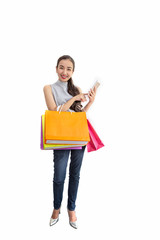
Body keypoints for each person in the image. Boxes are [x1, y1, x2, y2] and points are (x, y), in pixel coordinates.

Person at [43, 55, 97, 229]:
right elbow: (54, 112)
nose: (64, 72)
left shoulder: (76, 88)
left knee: (75, 174)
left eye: (68, 69)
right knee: (59, 176)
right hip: (60, 138)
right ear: (56, 68)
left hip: (78, 136)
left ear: (73, 71)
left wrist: (90, 102)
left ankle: (71, 209)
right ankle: (56, 208)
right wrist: (74, 99)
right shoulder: (48, 88)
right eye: (61, 67)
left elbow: (80, 116)